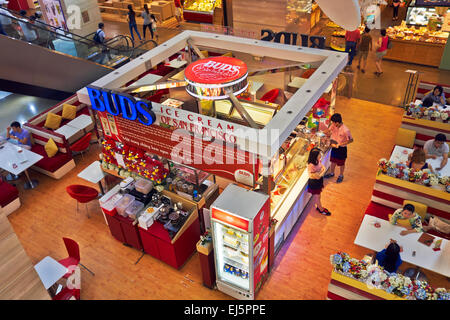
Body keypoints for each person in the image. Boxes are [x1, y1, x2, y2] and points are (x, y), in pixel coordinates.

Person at [324, 113, 354, 183]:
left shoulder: (346, 130)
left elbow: (351, 140)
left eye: (333, 123)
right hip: (334, 146)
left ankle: (341, 175)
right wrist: (323, 133)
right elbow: (328, 131)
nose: (332, 124)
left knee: (341, 163)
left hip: (341, 149)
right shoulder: (333, 125)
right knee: (333, 161)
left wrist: (340, 144)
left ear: (337, 122)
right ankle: (332, 173)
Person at [307, 147, 331, 216]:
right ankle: (321, 209)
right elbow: (317, 176)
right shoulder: (311, 165)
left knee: (319, 195)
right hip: (314, 182)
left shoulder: (318, 161)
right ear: (315, 156)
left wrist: (321, 172)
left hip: (319, 181)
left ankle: (319, 207)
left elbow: (322, 168)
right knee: (317, 196)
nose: (320, 156)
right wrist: (322, 172)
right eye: (319, 155)